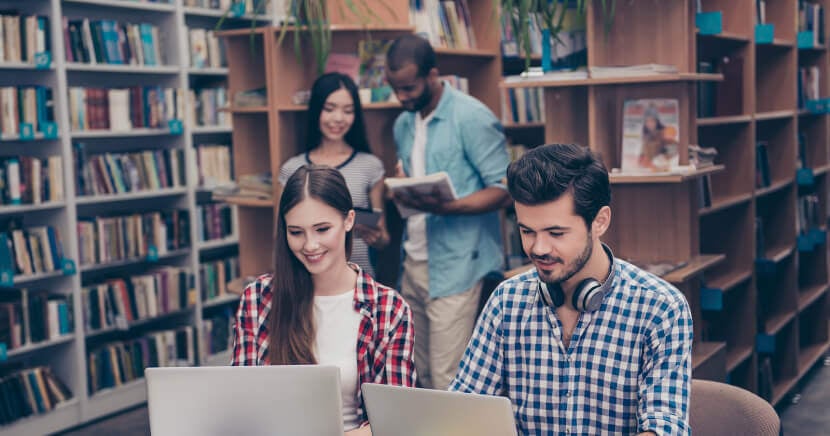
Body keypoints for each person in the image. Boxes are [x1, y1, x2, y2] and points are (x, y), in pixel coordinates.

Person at [450, 143, 693, 435]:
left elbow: (665, 428)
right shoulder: (507, 301)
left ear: (600, 221)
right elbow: (463, 408)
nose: (538, 248)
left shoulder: (660, 307)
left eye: (556, 233)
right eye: (527, 231)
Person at [231, 165, 416, 435]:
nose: (310, 245)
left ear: (349, 220)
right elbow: (241, 402)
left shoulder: (389, 309)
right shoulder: (258, 299)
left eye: (322, 229)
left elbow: (394, 420)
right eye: (296, 232)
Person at [384, 34, 511, 390]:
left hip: (458, 265)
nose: (402, 97)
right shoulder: (403, 124)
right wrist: (402, 187)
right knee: (419, 375)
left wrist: (449, 207)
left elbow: (506, 189)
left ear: (433, 74)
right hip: (415, 262)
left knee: (447, 380)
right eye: (396, 89)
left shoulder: (470, 117)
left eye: (409, 87)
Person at [278, 72, 389, 277]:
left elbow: (383, 240)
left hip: (359, 279)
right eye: (329, 109)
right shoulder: (291, 169)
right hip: (306, 279)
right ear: (316, 110)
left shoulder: (370, 166)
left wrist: (376, 235)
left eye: (348, 111)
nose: (338, 118)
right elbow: (283, 235)